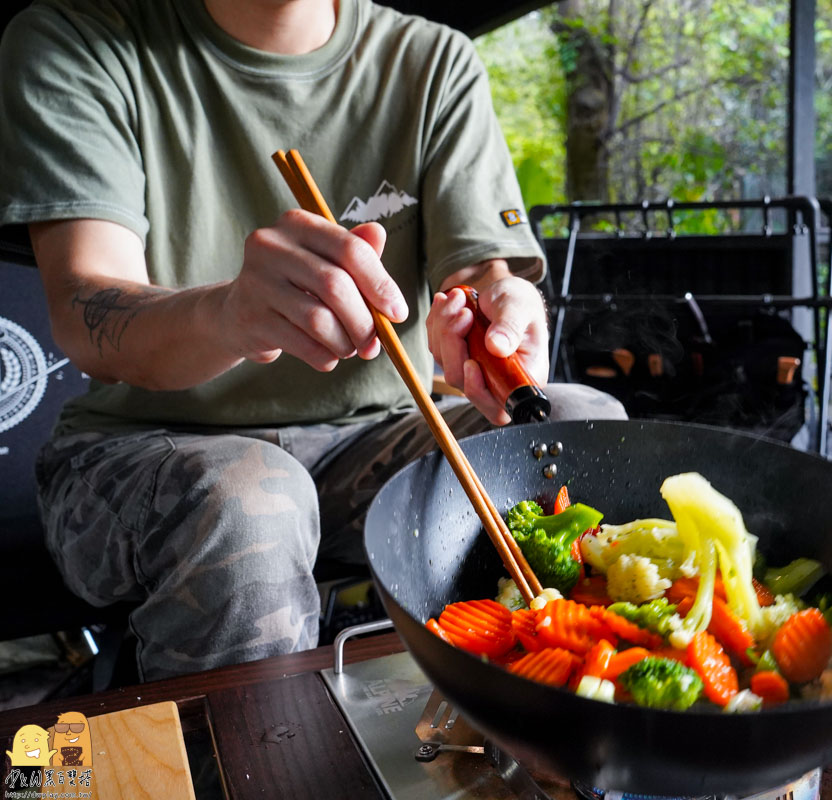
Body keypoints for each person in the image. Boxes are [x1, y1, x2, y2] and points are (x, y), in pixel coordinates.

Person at [0, 0, 625, 680]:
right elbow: (89, 312)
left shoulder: (432, 59)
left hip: (372, 437)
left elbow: (478, 272)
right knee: (250, 502)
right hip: (141, 446)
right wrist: (230, 314)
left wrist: (497, 311)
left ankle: (548, 736)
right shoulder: (79, 37)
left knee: (582, 427)